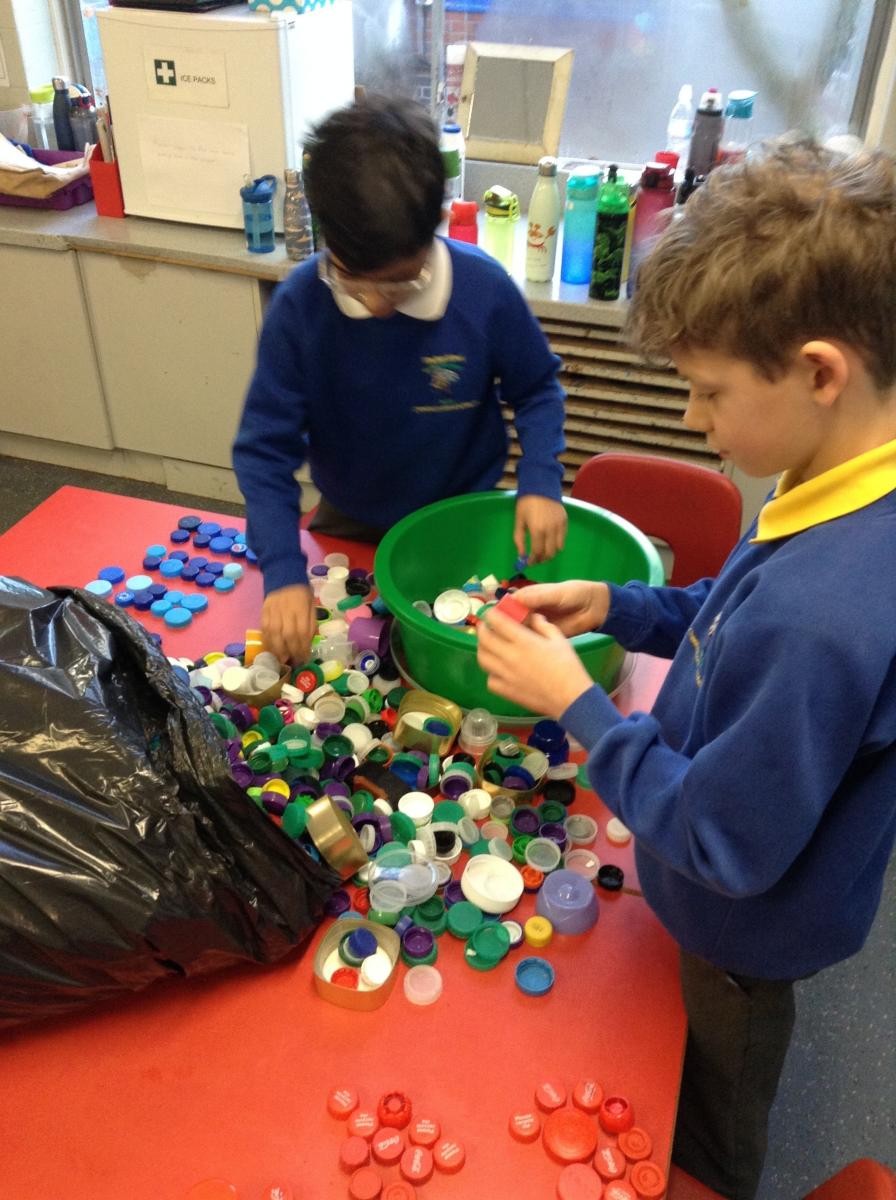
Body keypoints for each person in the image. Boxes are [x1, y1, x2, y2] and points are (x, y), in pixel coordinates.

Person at [476, 140, 896, 1200]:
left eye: (708, 391)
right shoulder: (838, 475)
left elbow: (724, 842)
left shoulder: (822, 617)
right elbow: (733, 615)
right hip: (727, 867)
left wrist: (578, 706)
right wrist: (624, 607)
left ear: (818, 372)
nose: (689, 419)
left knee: (708, 1116)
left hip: (739, 934)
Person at [233, 94, 567, 664]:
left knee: (458, 649)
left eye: (399, 283)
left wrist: (540, 479)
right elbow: (264, 451)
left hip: (461, 517)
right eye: (354, 282)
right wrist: (284, 571)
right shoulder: (299, 308)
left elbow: (536, 388)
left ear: (435, 226)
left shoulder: (484, 291)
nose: (377, 304)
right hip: (350, 520)